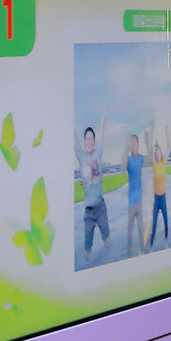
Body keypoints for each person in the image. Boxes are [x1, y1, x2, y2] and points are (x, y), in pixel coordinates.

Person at [75, 106, 110, 261]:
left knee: (108, 243)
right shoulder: (81, 157)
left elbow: (102, 130)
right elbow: (73, 138)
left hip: (100, 207)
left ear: (94, 142)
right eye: (86, 139)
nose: (89, 141)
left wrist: (103, 115)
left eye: (91, 139)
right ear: (84, 141)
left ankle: (105, 236)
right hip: (88, 212)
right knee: (86, 252)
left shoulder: (98, 153)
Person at [122, 128, 148, 256]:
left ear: (138, 144)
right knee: (130, 230)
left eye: (134, 143)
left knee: (140, 228)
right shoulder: (128, 159)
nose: (133, 145)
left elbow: (151, 161)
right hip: (131, 204)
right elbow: (122, 167)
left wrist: (149, 142)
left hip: (139, 201)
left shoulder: (141, 158)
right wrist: (126, 147)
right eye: (130, 143)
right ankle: (129, 252)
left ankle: (142, 249)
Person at [148, 124, 171, 249]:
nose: (157, 154)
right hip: (156, 199)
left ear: (161, 154)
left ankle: (166, 241)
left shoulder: (163, 163)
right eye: (156, 153)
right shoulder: (155, 165)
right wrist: (151, 133)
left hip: (163, 198)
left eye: (159, 152)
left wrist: (167, 133)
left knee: (166, 222)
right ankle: (151, 246)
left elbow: (169, 147)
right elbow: (151, 147)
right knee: (154, 223)